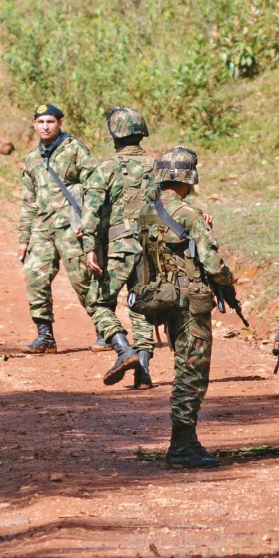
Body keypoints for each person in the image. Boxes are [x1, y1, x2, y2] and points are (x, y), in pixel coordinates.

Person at [141, 146, 236, 468]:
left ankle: (190, 441)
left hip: (165, 299)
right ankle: (181, 446)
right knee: (191, 373)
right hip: (189, 305)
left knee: (184, 366)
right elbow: (212, 264)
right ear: (189, 178)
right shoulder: (189, 214)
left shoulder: (149, 212)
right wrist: (229, 280)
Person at [16, 103, 106, 354]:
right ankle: (45, 336)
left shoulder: (74, 149)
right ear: (34, 124)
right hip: (43, 229)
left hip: (70, 228)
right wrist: (24, 237)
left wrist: (88, 222)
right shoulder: (33, 158)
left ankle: (105, 331)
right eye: (40, 122)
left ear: (59, 124)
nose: (45, 126)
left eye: (50, 122)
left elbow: (95, 186)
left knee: (83, 281)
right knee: (35, 277)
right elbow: (29, 201)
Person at [81, 106, 158, 389]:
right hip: (151, 249)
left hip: (120, 247)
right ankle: (144, 373)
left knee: (98, 302)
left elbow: (90, 211)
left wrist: (90, 247)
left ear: (115, 134)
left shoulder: (107, 168)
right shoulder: (156, 167)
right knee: (142, 308)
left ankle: (124, 350)